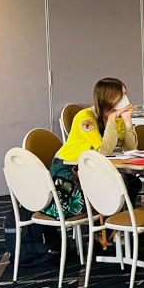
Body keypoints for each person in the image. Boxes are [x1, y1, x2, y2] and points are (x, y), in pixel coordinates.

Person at [43, 78, 138, 219]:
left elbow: (131, 148)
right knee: (111, 187)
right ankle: (108, 228)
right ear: (108, 98)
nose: (126, 99)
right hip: (69, 168)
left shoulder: (117, 119)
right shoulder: (86, 118)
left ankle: (116, 228)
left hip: (94, 168)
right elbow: (103, 151)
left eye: (125, 94)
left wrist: (127, 121)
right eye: (121, 96)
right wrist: (111, 120)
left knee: (132, 182)